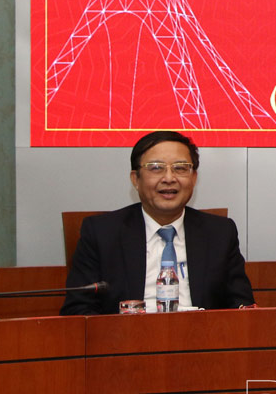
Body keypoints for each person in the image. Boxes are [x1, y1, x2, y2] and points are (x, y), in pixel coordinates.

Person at [61, 130, 255, 315]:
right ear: (135, 179)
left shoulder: (220, 233)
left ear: (194, 178)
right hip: (125, 342)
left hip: (201, 340)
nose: (169, 178)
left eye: (180, 168)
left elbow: (242, 305)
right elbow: (78, 310)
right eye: (156, 168)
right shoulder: (101, 233)